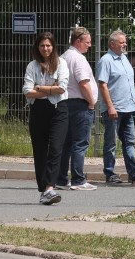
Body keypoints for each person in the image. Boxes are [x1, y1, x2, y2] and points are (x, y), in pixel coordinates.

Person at [23, 32, 70, 205]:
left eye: (48, 45)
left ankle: (50, 187)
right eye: (42, 45)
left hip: (59, 109)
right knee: (40, 150)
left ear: (53, 46)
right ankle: (44, 189)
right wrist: (52, 87)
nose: (46, 48)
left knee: (56, 148)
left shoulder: (62, 64)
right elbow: (27, 91)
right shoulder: (32, 66)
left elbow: (62, 89)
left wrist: (40, 88)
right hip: (38, 110)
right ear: (37, 48)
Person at [95, 29, 135, 184]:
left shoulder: (124, 58)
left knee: (129, 141)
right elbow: (102, 85)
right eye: (122, 42)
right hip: (115, 109)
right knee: (111, 143)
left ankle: (133, 172)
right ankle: (110, 173)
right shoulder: (106, 61)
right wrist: (110, 107)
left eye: (125, 41)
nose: (125, 44)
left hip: (128, 108)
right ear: (112, 44)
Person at [56, 26, 98, 191]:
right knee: (80, 142)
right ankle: (78, 180)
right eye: (87, 42)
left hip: (65, 103)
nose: (89, 45)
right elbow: (83, 82)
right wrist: (92, 101)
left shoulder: (63, 57)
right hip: (80, 105)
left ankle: (60, 179)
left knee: (66, 143)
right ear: (78, 41)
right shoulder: (78, 59)